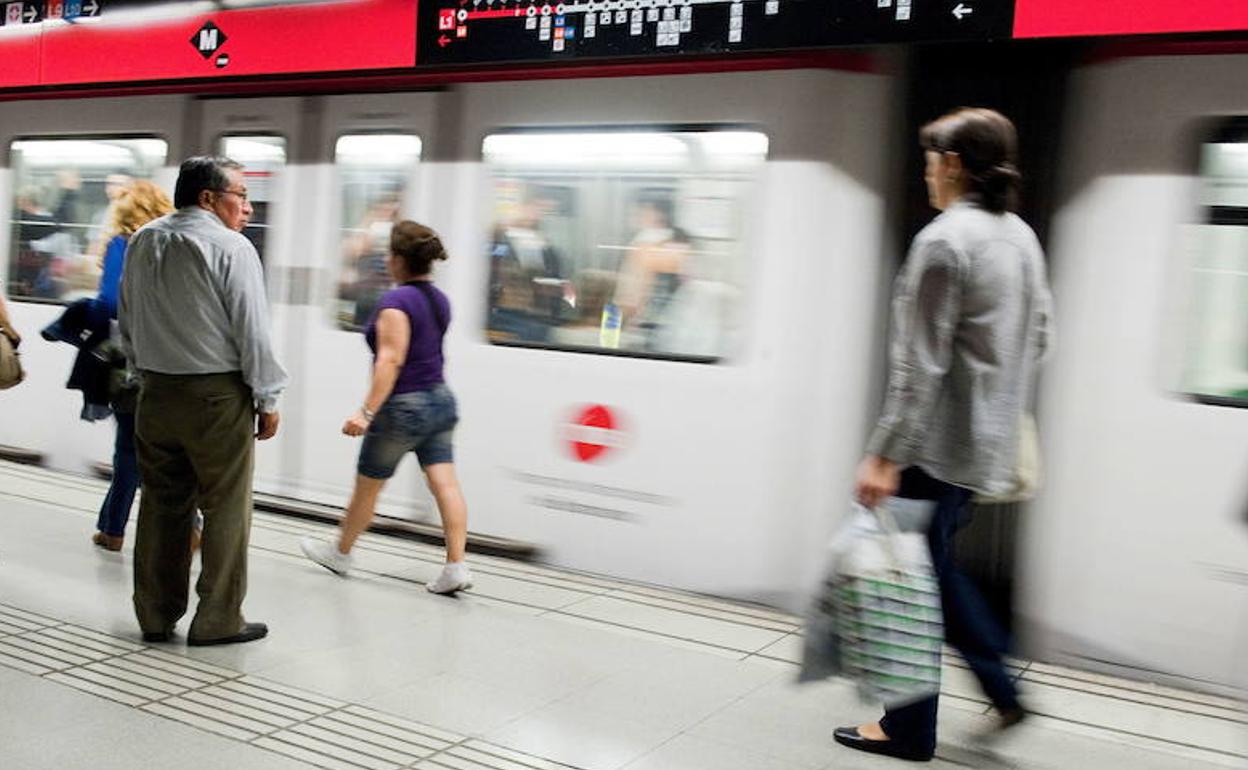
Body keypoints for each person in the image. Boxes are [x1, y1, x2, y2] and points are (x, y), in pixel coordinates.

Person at [834, 108, 1053, 762]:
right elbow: (1039, 339)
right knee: (932, 569)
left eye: (932, 163)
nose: (927, 175)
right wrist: (990, 394)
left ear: (954, 165)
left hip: (928, 448)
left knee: (904, 581)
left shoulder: (943, 241)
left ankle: (906, 730)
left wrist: (883, 454)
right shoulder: (1021, 238)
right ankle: (1001, 686)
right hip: (980, 448)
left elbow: (918, 366)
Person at [119, 156, 288, 646]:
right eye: (241, 195)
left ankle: (154, 613)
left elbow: (127, 318)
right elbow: (252, 330)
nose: (249, 208)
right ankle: (218, 619)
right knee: (226, 507)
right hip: (216, 396)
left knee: (160, 504)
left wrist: (141, 372)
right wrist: (268, 397)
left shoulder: (143, 240)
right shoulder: (232, 248)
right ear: (208, 198)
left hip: (155, 391)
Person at [301, 221, 472, 595]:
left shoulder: (395, 303)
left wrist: (364, 412)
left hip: (404, 407)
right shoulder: (439, 300)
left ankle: (340, 552)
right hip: (441, 400)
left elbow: (391, 361)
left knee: (368, 488)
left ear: (396, 260)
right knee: (445, 484)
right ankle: (456, 565)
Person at [90, 180, 174, 552]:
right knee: (168, 448)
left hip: (128, 360)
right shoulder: (176, 247)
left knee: (128, 447)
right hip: (173, 361)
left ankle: (113, 530)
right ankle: (191, 524)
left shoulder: (122, 244)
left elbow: (108, 303)